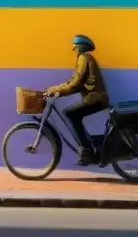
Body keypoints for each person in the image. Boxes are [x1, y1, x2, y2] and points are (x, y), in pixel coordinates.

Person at [45, 34, 110, 166]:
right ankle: (89, 145)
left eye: (75, 48)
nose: (75, 52)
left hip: (95, 98)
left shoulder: (83, 58)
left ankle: (87, 151)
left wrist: (56, 90)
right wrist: (56, 89)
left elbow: (75, 84)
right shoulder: (86, 58)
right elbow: (75, 82)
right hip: (94, 98)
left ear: (80, 48)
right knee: (75, 115)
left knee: (70, 114)